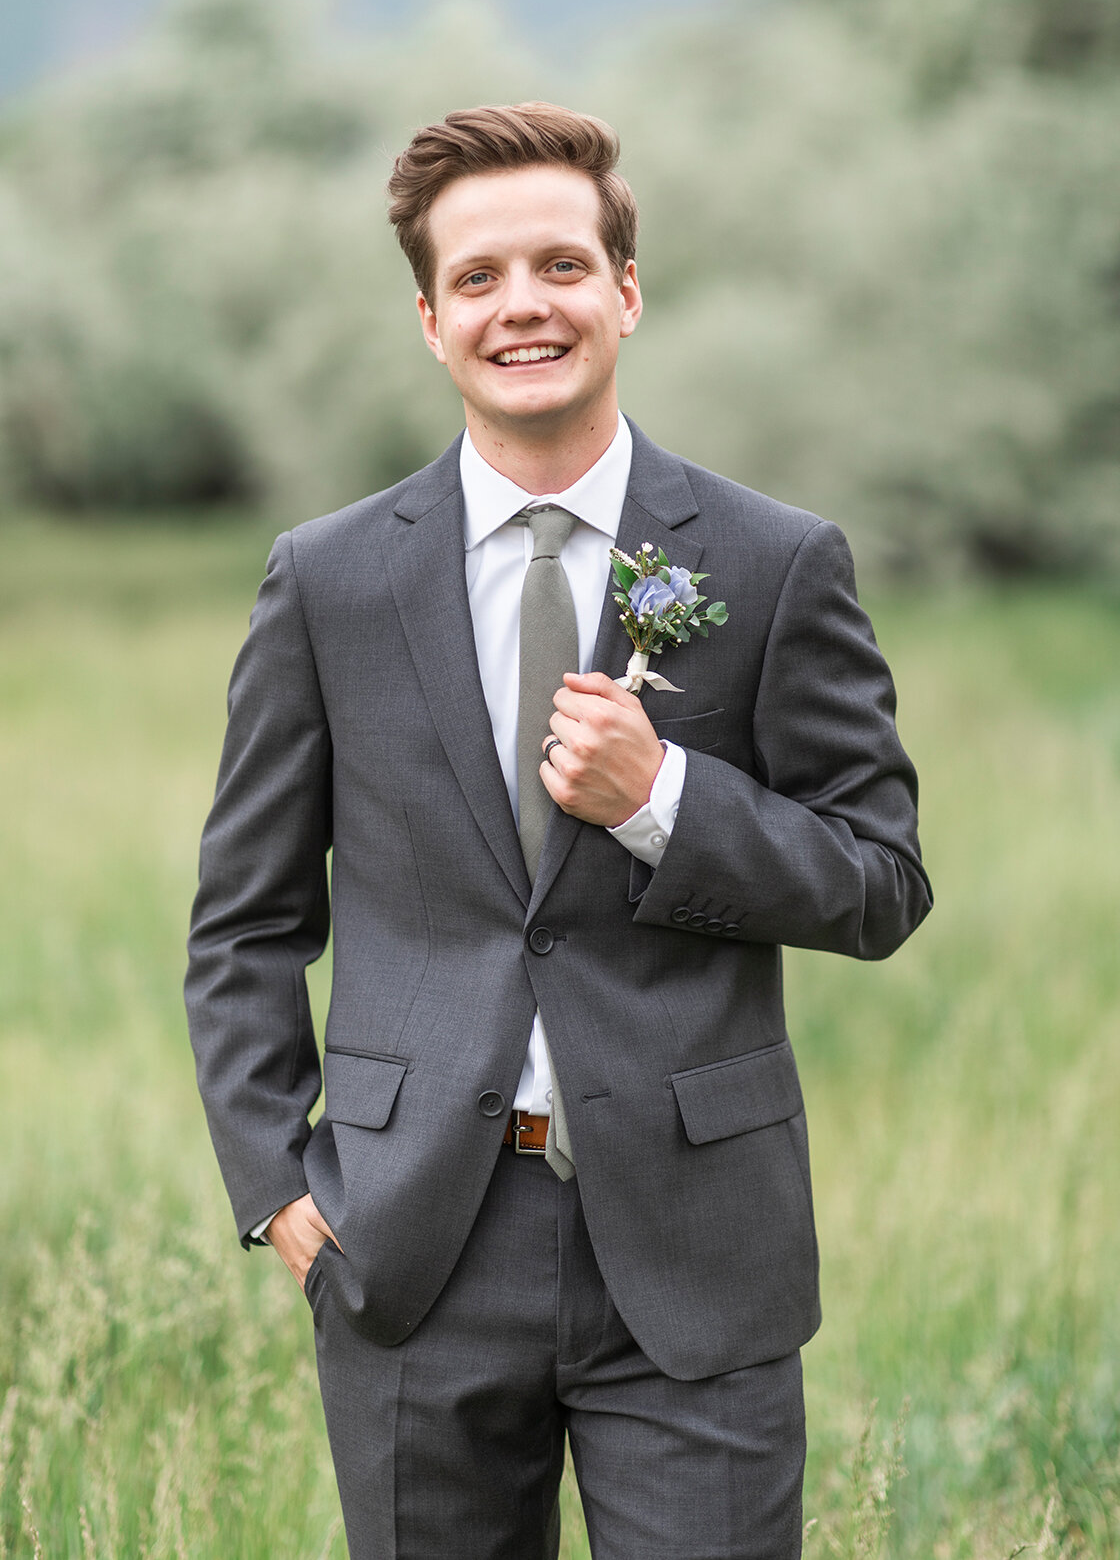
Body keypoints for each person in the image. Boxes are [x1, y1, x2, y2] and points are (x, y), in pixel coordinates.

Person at [185, 102, 932, 1559]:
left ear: (626, 291)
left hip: (698, 1246)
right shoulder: (328, 582)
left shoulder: (776, 561)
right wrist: (279, 1182)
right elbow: (246, 920)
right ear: (429, 319)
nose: (522, 303)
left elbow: (880, 877)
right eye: (477, 278)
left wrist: (665, 800)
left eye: (560, 265)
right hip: (410, 1244)